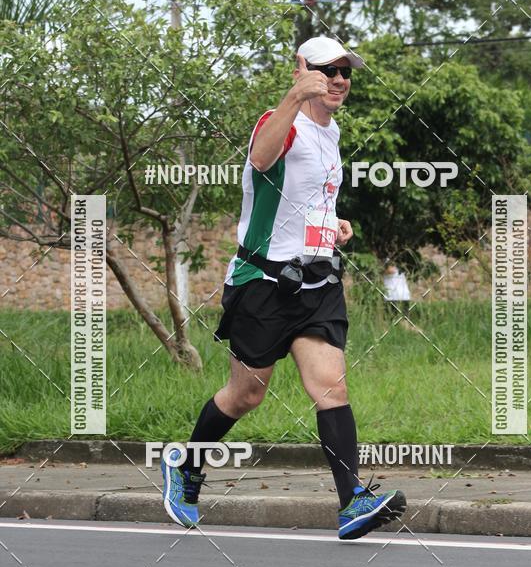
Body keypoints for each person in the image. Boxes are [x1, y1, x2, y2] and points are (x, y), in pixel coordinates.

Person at [162, 36, 407, 540]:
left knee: (331, 385)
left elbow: (306, 198)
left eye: (346, 72)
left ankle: (351, 502)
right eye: (328, 70)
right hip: (263, 283)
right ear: (303, 71)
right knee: (246, 394)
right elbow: (260, 159)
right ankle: (186, 468)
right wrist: (293, 97)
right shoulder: (283, 122)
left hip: (316, 280)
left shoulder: (331, 131)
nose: (339, 80)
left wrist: (334, 224)